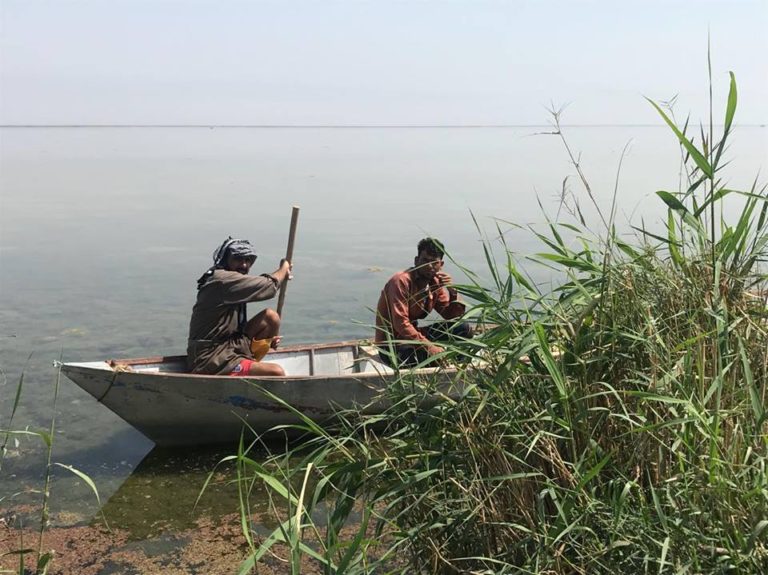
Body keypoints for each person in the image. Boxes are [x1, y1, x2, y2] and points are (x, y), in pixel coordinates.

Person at [187, 237, 292, 376]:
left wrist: (268, 341)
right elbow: (268, 286)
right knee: (276, 372)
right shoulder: (222, 280)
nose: (243, 265)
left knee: (270, 318)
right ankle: (242, 369)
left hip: (232, 346)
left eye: (248, 260)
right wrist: (284, 269)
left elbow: (268, 285)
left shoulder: (232, 280)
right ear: (226, 260)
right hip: (211, 358)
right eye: (238, 259)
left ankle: (247, 364)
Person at [375, 237, 472, 367]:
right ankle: (440, 365)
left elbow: (451, 316)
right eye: (425, 261)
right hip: (393, 343)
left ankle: (458, 369)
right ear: (416, 261)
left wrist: (453, 291)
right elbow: (401, 323)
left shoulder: (435, 283)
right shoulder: (401, 281)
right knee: (420, 358)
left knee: (463, 328)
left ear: (441, 265)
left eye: (434, 262)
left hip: (415, 338)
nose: (429, 266)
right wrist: (429, 347)